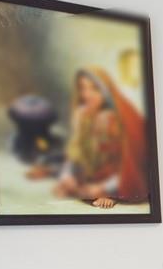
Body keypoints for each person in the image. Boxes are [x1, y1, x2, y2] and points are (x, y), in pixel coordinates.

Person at [53, 67, 149, 209]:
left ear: (105, 92)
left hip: (115, 184)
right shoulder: (81, 115)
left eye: (94, 89)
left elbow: (129, 165)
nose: (87, 95)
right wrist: (68, 176)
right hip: (88, 181)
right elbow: (75, 153)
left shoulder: (115, 120)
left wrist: (108, 190)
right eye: (82, 88)